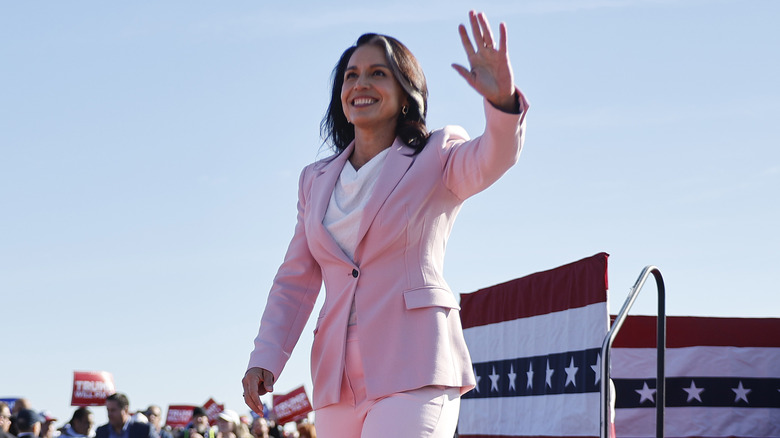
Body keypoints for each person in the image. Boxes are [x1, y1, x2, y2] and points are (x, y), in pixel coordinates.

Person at [242, 10, 528, 438]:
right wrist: (266, 355)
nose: (361, 84)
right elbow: (295, 279)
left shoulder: (438, 154)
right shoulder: (314, 181)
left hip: (417, 364)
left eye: (378, 73)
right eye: (351, 75)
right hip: (338, 380)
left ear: (404, 90)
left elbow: (493, 158)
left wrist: (502, 104)